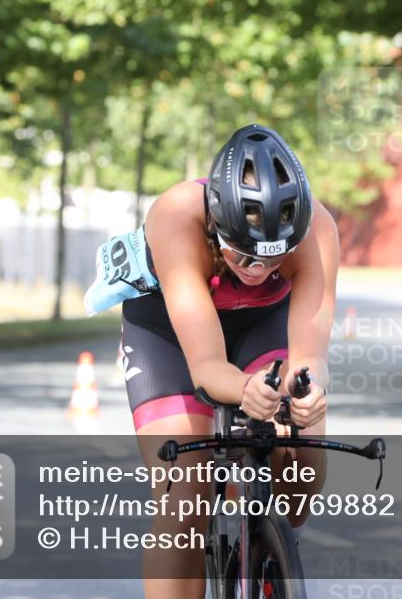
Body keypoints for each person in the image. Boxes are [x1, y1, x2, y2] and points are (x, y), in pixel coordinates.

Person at [114, 124, 337, 598]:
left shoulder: (318, 229)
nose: (257, 271)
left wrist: (308, 391)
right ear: (216, 221)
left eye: (273, 260)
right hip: (171, 332)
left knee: (303, 442)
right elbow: (209, 368)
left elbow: (310, 356)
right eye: (243, 254)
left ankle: (274, 547)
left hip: (263, 324)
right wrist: (244, 390)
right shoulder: (175, 215)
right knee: (185, 494)